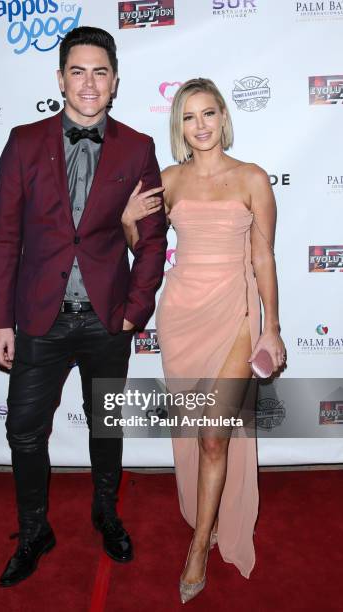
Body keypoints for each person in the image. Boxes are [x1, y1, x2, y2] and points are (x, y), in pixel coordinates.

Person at [0, 26, 167, 587]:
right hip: (39, 319)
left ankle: (106, 514)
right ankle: (34, 529)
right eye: (78, 71)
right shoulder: (23, 142)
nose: (90, 83)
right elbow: (5, 238)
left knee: (105, 427)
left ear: (115, 82)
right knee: (23, 430)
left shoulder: (138, 148)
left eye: (101, 72)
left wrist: (135, 310)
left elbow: (155, 239)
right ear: (61, 77)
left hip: (107, 320)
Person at [122, 78, 286, 603]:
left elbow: (264, 258)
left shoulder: (253, 178)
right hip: (181, 317)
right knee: (196, 431)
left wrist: (273, 327)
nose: (201, 125)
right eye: (190, 116)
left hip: (234, 317)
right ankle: (204, 517)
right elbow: (143, 247)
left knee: (215, 434)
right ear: (180, 126)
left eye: (209, 113)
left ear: (223, 118)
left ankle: (198, 548)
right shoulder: (168, 180)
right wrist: (128, 222)